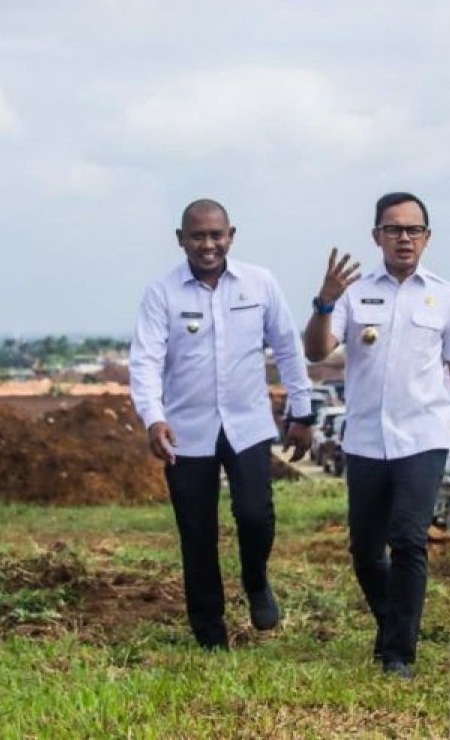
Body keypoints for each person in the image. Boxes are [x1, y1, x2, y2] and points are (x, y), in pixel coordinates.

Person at [303, 192, 450, 680]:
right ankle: (393, 625)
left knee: (408, 540)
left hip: (423, 437)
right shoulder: (353, 292)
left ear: (427, 237)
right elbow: (317, 352)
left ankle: (399, 654)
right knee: (365, 551)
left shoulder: (446, 296)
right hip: (365, 439)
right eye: (394, 230)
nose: (404, 238)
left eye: (413, 230)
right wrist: (324, 302)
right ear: (377, 237)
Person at [129, 199, 314, 651]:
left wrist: (302, 411)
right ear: (181, 240)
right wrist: (154, 418)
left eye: (216, 235)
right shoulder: (162, 293)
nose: (207, 245)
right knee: (197, 533)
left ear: (231, 234)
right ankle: (210, 633)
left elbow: (288, 349)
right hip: (185, 433)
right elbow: (145, 360)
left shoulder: (260, 284)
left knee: (255, 515)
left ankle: (256, 581)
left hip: (248, 425)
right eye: (197, 236)